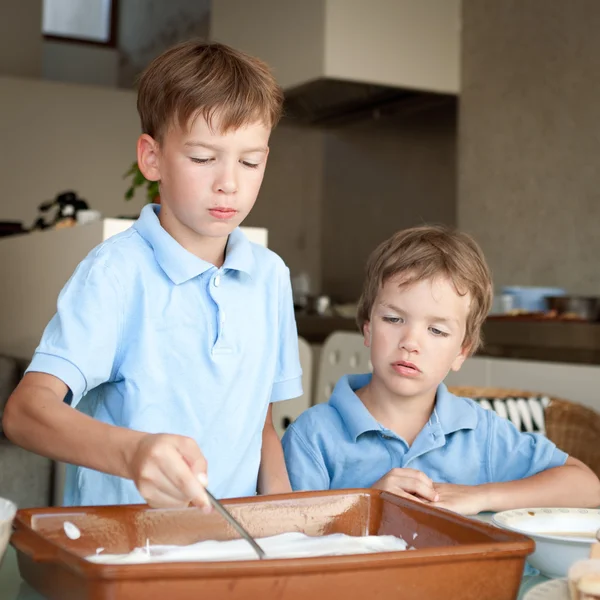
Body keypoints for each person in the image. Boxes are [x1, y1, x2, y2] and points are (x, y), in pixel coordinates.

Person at [3, 40, 302, 509]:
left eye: (250, 160)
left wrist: (285, 521)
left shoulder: (270, 277)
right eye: (204, 158)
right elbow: (25, 413)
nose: (230, 181)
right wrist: (134, 453)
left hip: (229, 553)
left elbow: (258, 423)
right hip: (126, 547)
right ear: (152, 158)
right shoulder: (115, 274)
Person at [282, 225, 600, 515]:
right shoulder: (313, 436)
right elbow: (287, 538)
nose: (410, 342)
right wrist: (368, 505)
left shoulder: (482, 433)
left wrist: (482, 497)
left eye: (437, 331)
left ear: (461, 352)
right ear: (367, 329)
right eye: (393, 319)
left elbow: (586, 485)